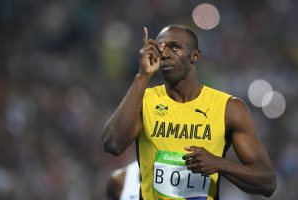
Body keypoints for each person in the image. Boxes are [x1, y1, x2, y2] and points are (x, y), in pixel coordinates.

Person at [101, 25, 276, 200]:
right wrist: (142, 76)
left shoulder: (228, 108)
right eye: (161, 47)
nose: (165, 54)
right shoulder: (143, 100)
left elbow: (267, 182)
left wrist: (220, 164)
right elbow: (112, 144)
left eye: (175, 47)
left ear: (195, 56)